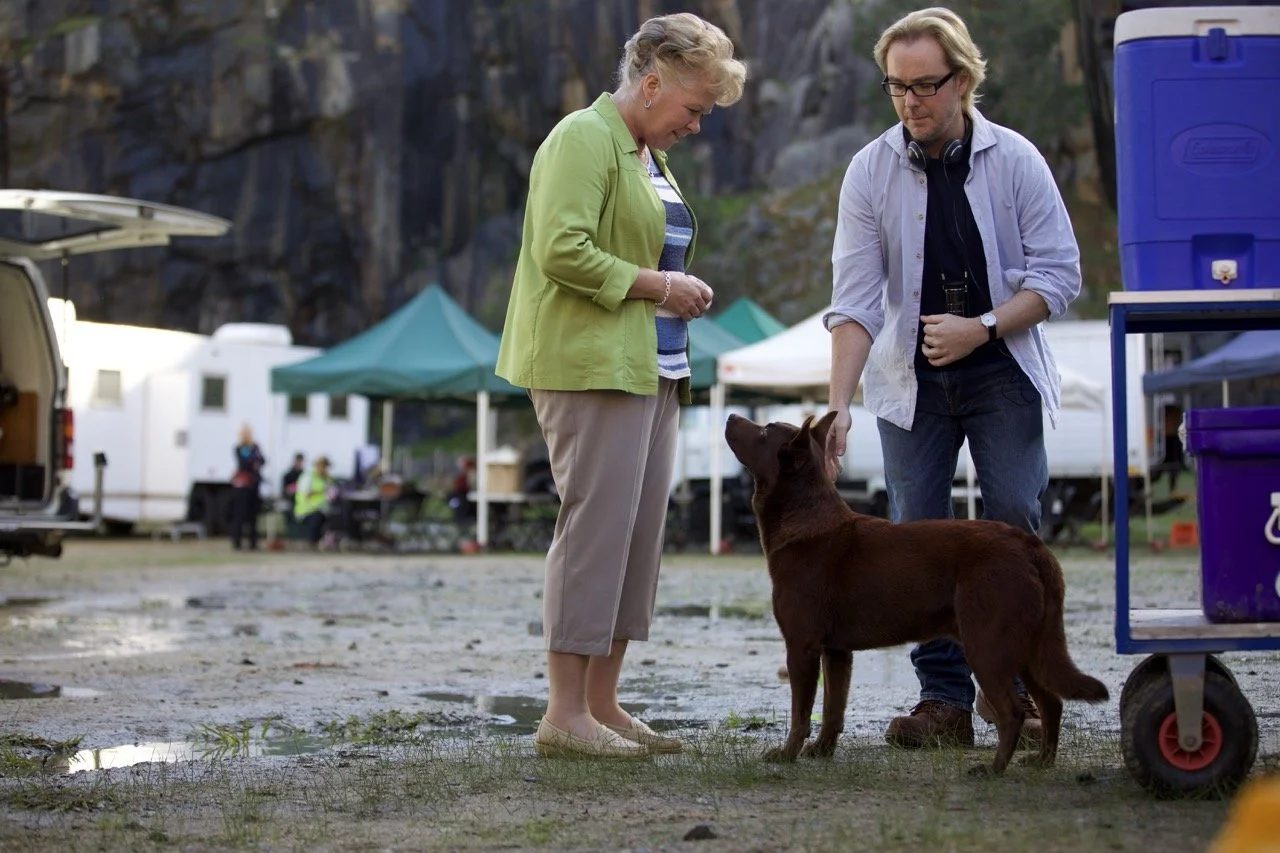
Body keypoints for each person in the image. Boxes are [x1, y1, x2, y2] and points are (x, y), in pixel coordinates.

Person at [823, 8, 1081, 750]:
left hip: (1002, 365)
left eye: (926, 86)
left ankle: (1023, 692)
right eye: (896, 88)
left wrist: (987, 326)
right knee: (910, 540)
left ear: (962, 80)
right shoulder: (869, 170)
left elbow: (1060, 276)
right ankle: (943, 702)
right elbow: (855, 301)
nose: (911, 103)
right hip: (911, 378)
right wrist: (838, 406)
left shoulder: (1019, 160)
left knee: (1011, 521)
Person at [496, 12, 745, 759]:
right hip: (588, 364)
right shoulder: (582, 136)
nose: (697, 125)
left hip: (654, 369)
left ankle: (601, 702)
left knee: (636, 541)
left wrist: (665, 297)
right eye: (693, 108)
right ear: (650, 81)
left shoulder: (645, 154)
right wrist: (661, 284)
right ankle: (563, 713)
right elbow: (560, 247)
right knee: (594, 532)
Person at [230, 424, 265, 550]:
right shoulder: (239, 448)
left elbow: (262, 460)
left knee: (253, 515)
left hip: (254, 485)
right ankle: (237, 541)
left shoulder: (255, 447)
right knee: (240, 513)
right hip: (243, 485)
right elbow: (243, 463)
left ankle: (253, 542)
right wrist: (253, 461)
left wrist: (254, 461)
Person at [293, 455, 335, 548]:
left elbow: (332, 491)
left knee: (338, 515)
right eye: (322, 466)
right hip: (307, 510)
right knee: (317, 517)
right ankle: (312, 543)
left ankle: (328, 541)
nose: (324, 469)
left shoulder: (327, 478)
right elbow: (306, 493)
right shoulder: (308, 476)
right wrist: (322, 490)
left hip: (323, 508)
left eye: (326, 466)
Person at [280, 453, 305, 526]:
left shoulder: (304, 475)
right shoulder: (288, 475)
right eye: (298, 461)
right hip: (291, 500)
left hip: (302, 500)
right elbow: (284, 491)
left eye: (300, 461)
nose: (299, 463)